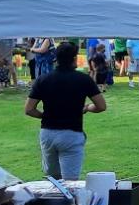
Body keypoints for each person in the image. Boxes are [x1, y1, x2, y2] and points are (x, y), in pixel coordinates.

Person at [25, 41, 106, 181]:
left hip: (48, 133)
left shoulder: (43, 79)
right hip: (71, 133)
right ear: (75, 59)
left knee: (52, 180)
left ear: (56, 59)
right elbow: (101, 106)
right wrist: (87, 108)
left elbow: (29, 109)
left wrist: (45, 116)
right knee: (70, 182)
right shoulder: (84, 79)